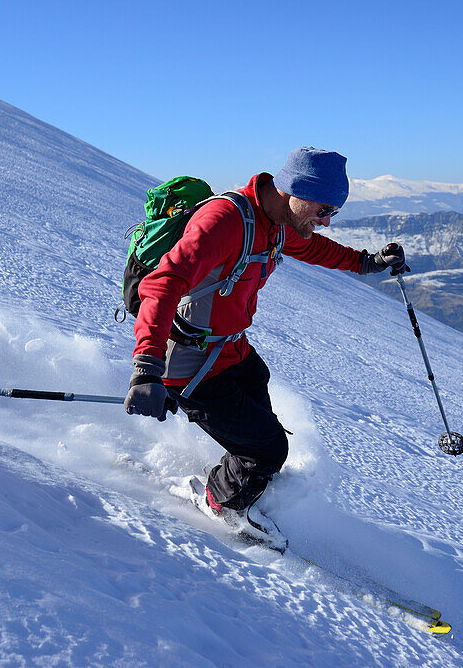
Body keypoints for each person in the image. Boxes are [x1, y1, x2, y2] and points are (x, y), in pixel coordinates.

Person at [124, 146, 408, 515]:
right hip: (188, 361)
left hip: (229, 350)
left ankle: (239, 482)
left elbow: (314, 248)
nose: (326, 221)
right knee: (267, 448)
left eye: (333, 212)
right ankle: (217, 505)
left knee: (259, 403)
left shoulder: (273, 223)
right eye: (324, 210)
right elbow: (163, 284)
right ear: (295, 192)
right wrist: (147, 367)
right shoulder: (225, 221)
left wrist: (366, 263)